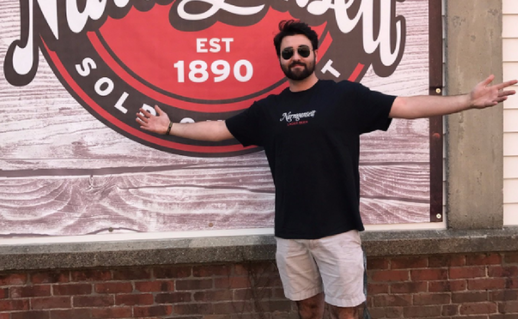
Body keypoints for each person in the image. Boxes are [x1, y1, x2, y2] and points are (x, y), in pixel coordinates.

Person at [136, 20, 516, 319]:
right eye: (288, 53)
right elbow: (220, 129)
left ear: (315, 53)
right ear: (281, 60)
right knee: (307, 308)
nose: (296, 57)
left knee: (347, 312)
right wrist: (169, 128)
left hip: (339, 231)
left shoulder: (344, 96)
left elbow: (405, 106)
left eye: (303, 50)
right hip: (291, 234)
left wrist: (467, 101)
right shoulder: (268, 110)